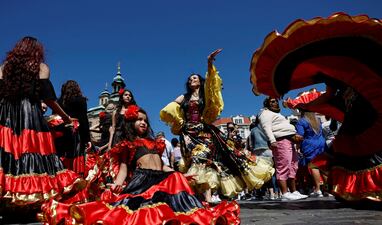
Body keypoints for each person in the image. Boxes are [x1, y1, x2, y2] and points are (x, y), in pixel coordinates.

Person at [41, 105, 240, 225]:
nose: (143, 123)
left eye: (145, 120)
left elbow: (163, 166)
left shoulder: (156, 144)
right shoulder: (129, 144)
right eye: (138, 120)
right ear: (131, 124)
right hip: (143, 179)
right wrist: (117, 183)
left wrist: (182, 174)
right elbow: (125, 169)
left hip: (161, 176)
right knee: (135, 209)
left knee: (177, 178)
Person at [160, 49, 274, 202]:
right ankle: (200, 197)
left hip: (204, 133)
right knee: (194, 162)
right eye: (189, 79)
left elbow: (212, 83)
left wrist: (209, 63)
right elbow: (170, 109)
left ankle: (207, 197)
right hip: (188, 134)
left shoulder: (205, 95)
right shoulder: (184, 96)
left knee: (203, 159)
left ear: (200, 81)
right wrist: (179, 124)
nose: (191, 80)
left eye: (194, 78)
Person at [0, 37, 84, 210]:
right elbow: (48, 98)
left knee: (10, 155)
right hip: (29, 113)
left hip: (6, 114)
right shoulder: (40, 67)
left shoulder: (4, 68)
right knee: (32, 155)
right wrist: (66, 117)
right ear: (37, 50)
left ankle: (9, 203)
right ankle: (29, 202)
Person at [258, 97, 307, 201]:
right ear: (266, 104)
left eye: (276, 101)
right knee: (283, 166)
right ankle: (284, 193)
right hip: (280, 141)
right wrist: (272, 140)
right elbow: (266, 127)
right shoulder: (265, 113)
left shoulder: (276, 114)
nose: (275, 103)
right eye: (272, 101)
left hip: (289, 140)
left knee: (293, 166)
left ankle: (293, 191)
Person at [54, 80, 92, 176]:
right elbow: (83, 120)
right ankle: (74, 178)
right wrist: (87, 139)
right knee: (75, 155)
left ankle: (61, 177)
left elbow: (54, 117)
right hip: (74, 131)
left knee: (61, 155)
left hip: (60, 131)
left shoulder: (59, 101)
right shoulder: (80, 100)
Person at [295, 110, 326, 197]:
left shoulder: (302, 121)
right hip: (321, 143)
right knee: (322, 166)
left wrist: (297, 145)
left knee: (314, 166)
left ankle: (317, 189)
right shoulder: (318, 120)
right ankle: (327, 189)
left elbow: (300, 136)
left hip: (309, 144)